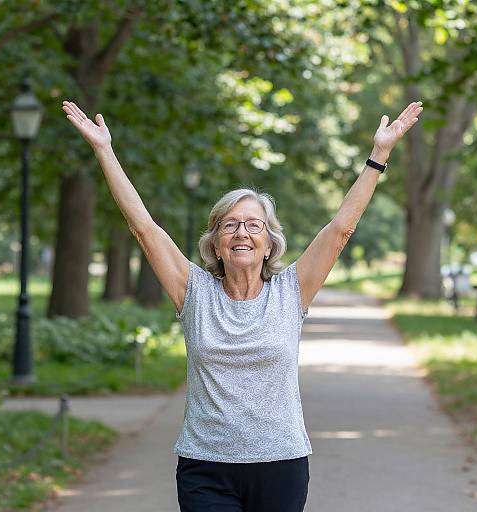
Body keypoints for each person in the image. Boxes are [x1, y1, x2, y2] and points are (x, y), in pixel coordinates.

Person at [62, 99, 423, 511]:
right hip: (205, 467)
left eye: (254, 225)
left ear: (269, 242)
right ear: (215, 241)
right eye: (230, 225)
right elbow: (143, 227)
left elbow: (341, 228)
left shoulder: (291, 291)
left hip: (281, 464)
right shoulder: (193, 291)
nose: (242, 233)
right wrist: (104, 150)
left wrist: (379, 155)